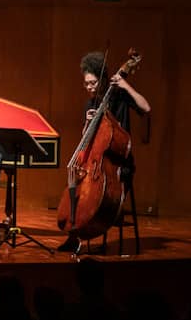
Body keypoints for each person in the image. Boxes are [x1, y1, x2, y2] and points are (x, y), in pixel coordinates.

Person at [59, 50, 151, 252]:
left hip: (119, 165)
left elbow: (146, 108)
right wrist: (88, 124)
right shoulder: (90, 104)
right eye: (86, 83)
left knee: (100, 199)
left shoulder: (119, 95)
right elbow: (86, 138)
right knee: (75, 177)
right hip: (95, 162)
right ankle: (74, 234)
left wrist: (125, 84)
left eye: (93, 83)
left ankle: (103, 220)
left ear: (102, 80)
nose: (90, 87)